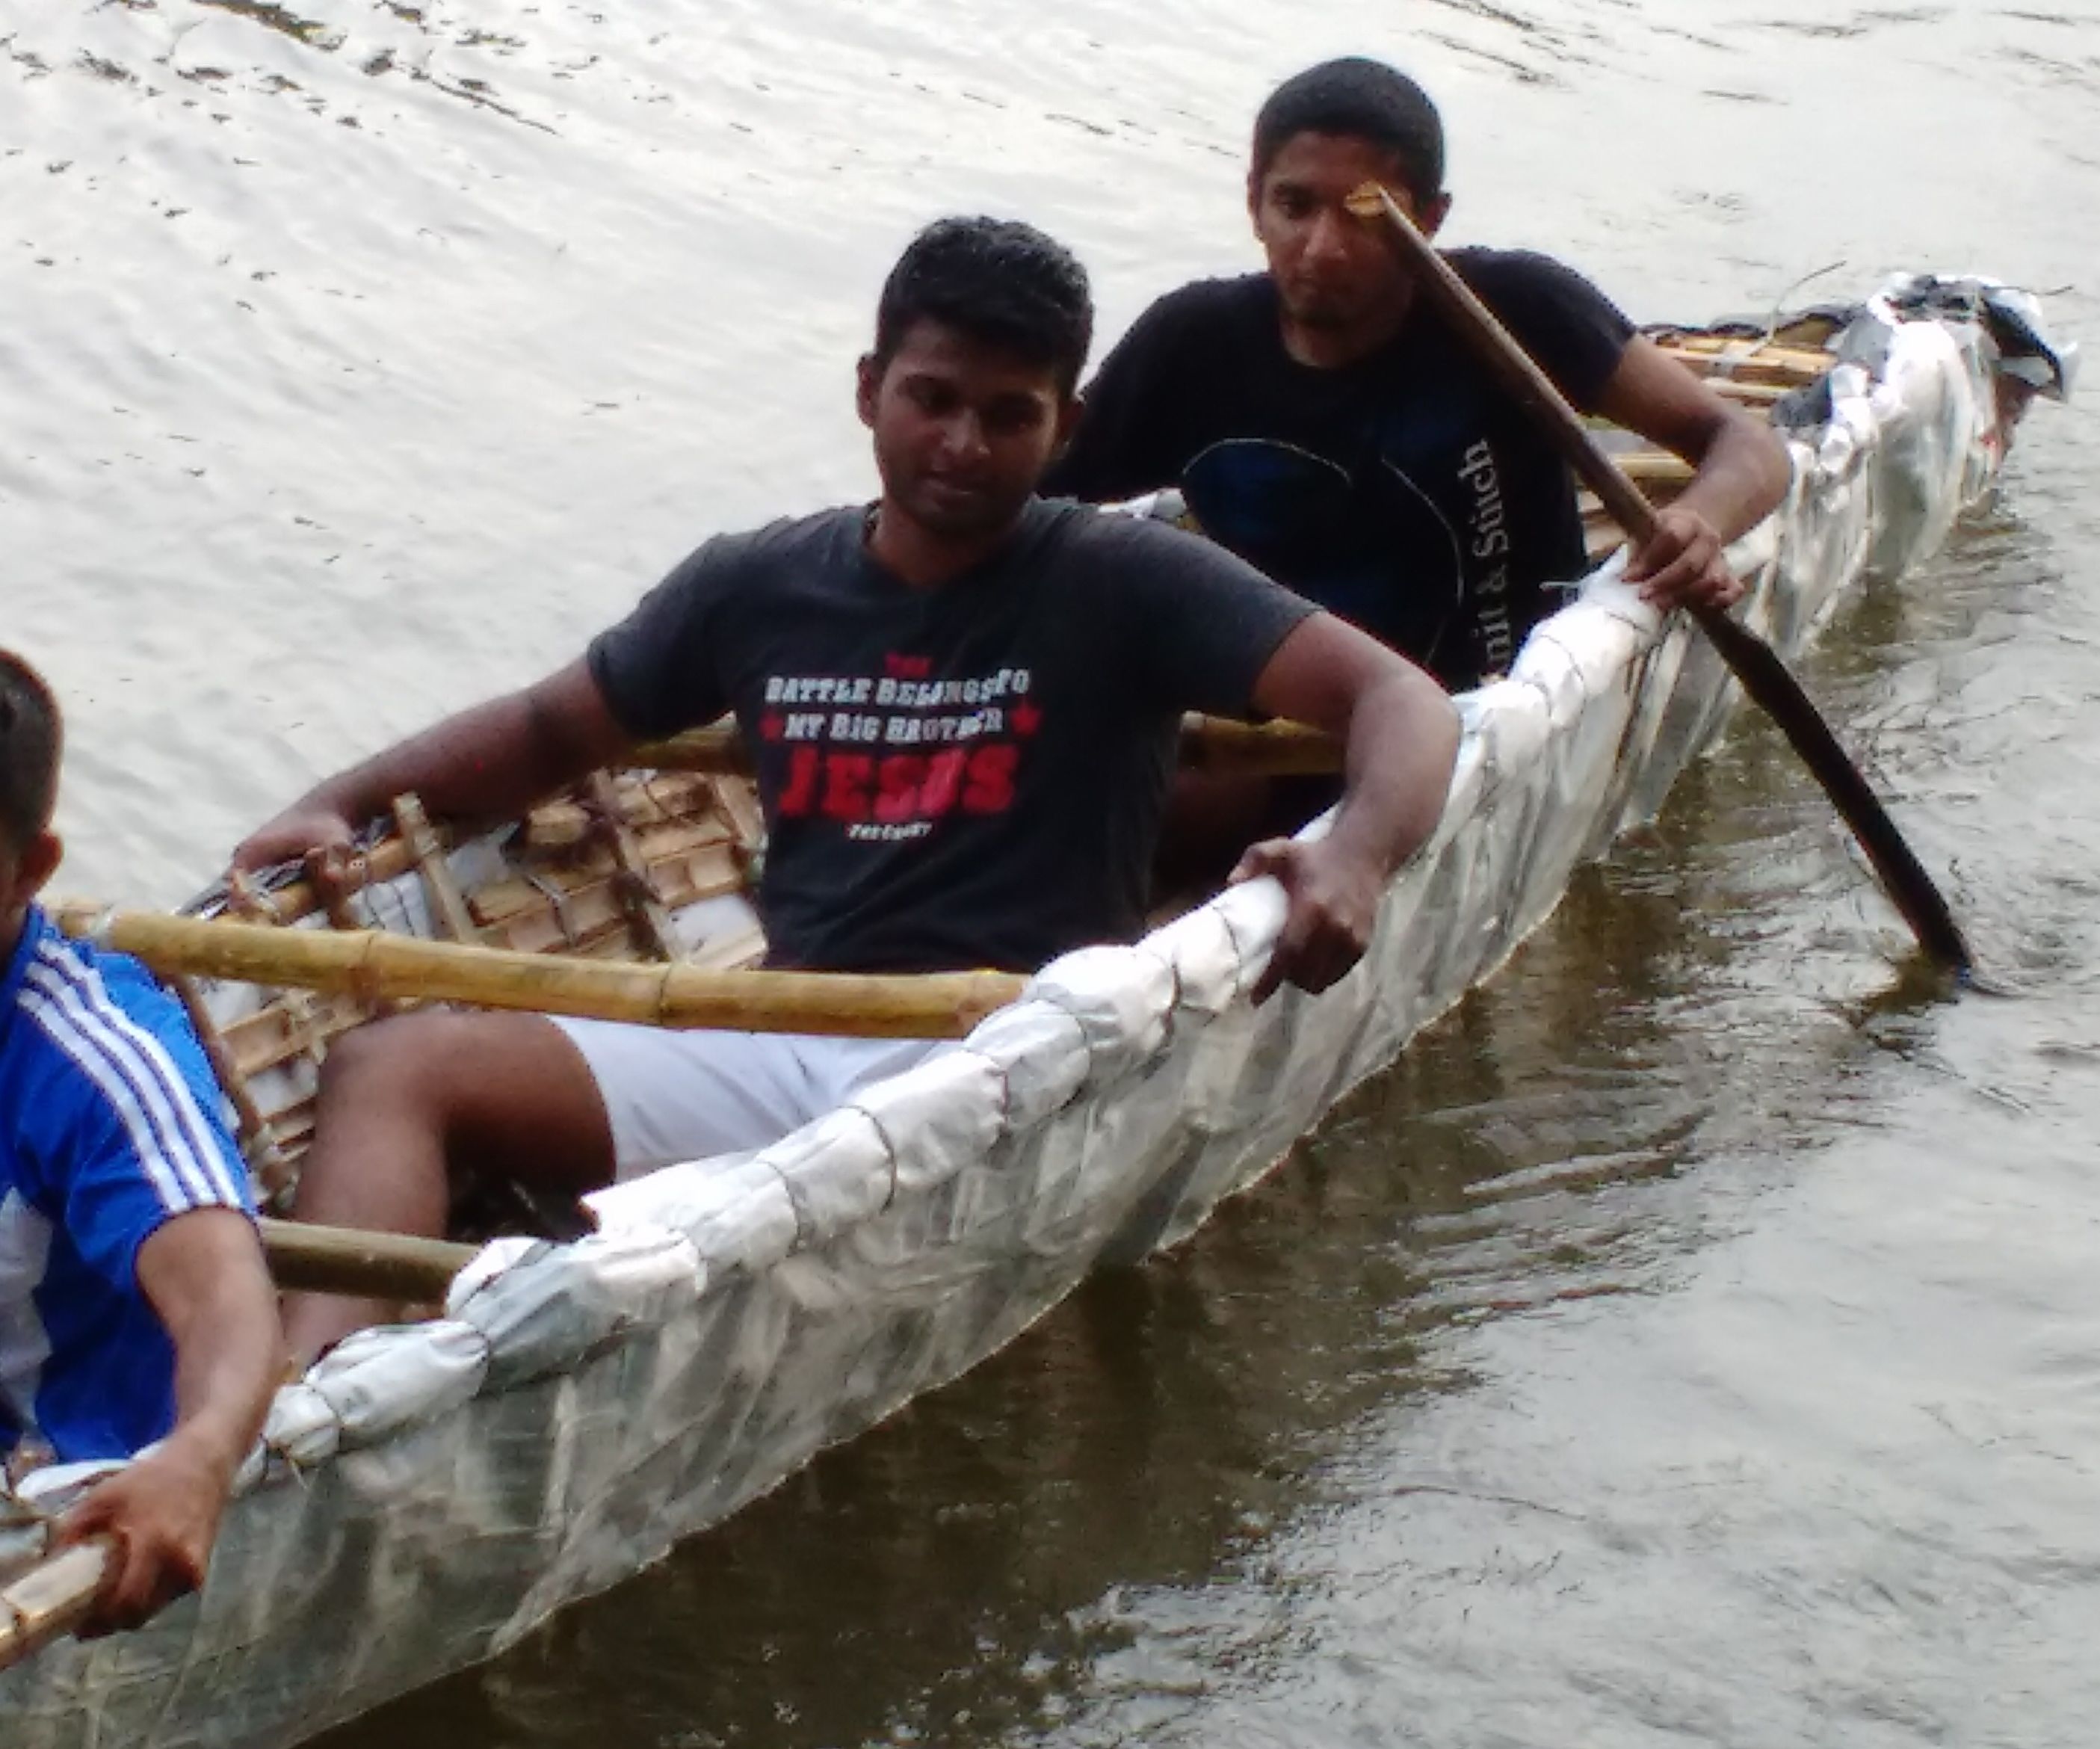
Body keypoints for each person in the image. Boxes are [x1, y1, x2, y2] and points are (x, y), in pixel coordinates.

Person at [229, 216, 1463, 1366]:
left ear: (1065, 428)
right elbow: (554, 727)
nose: (963, 446)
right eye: (931, 401)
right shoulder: (757, 584)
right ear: (871, 389)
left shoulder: (1121, 578)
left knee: (665, 1252)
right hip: (783, 1031)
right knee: (392, 1066)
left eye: (1007, 415)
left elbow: (1399, 702)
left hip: (991, 1061)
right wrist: (342, 798)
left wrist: (1352, 856)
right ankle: (309, 1396)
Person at [1045, 56, 1794, 692]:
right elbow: (1030, 504)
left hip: (1494, 709)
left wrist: (1699, 524)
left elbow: (1744, 444)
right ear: (1253, 203)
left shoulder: (1510, 311)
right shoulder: (1190, 343)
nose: (1321, 248)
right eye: (1294, 206)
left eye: (1363, 215)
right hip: (1274, 704)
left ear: (1429, 221)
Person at [0, 651, 282, 1633]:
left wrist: (201, 1460)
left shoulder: (97, 1062)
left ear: (29, 873)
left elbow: (226, 1300)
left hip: (55, 1482)